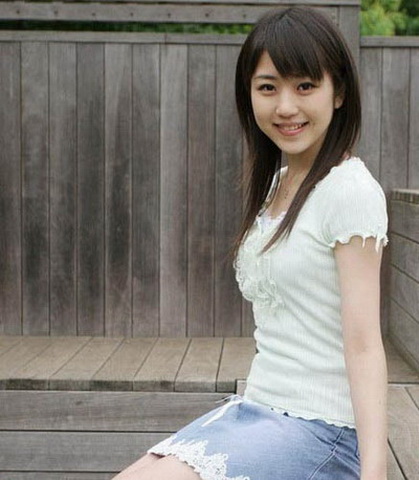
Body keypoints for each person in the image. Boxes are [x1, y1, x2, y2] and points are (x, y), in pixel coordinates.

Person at [113, 6, 388, 480]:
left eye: (305, 86)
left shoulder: (349, 190)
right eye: (268, 88)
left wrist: (376, 471)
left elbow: (364, 345)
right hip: (259, 409)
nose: (286, 107)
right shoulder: (278, 184)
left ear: (339, 92)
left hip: (324, 428)